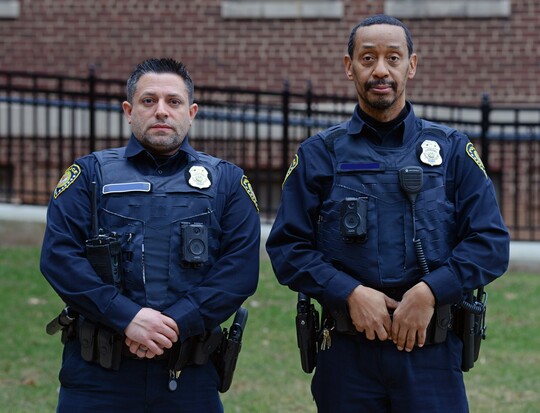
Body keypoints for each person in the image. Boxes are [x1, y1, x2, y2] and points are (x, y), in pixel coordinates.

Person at [266, 14, 509, 413]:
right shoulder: (319, 154)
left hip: (430, 358)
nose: (381, 70)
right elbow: (287, 250)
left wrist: (431, 292)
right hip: (346, 355)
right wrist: (348, 293)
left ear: (411, 65)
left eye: (393, 58)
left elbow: (491, 244)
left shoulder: (450, 151)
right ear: (349, 67)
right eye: (367, 58)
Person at [40, 58, 260, 413]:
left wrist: (173, 324)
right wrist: (126, 317)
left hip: (189, 376)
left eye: (173, 102)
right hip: (98, 378)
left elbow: (239, 272)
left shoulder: (228, 182)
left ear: (191, 112)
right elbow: (59, 258)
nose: (161, 111)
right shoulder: (88, 175)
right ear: (129, 111)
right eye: (148, 101)